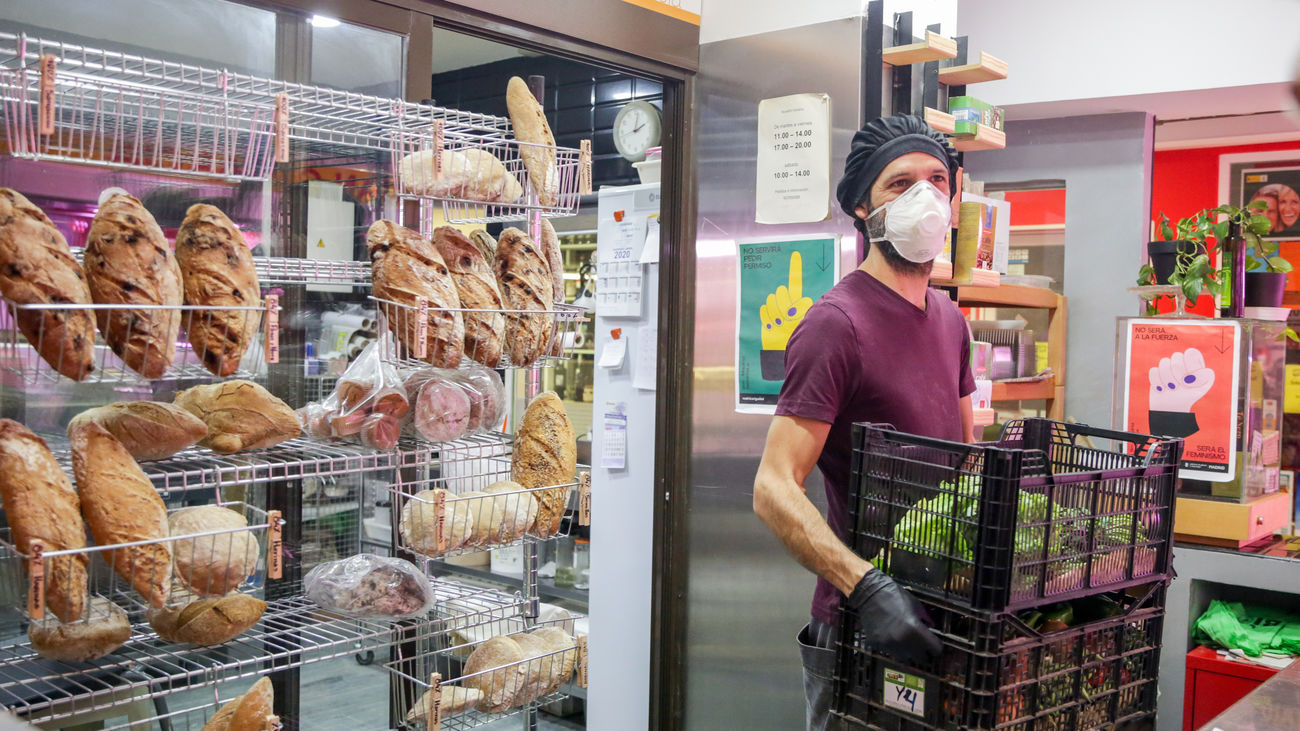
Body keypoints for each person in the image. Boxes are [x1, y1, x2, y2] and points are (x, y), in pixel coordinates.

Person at [753, 114, 976, 730]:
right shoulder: (836, 325)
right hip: (861, 628)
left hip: (943, 618)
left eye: (937, 180)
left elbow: (967, 466)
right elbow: (773, 488)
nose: (924, 197)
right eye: (899, 185)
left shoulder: (951, 322)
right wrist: (868, 587)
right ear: (861, 207)